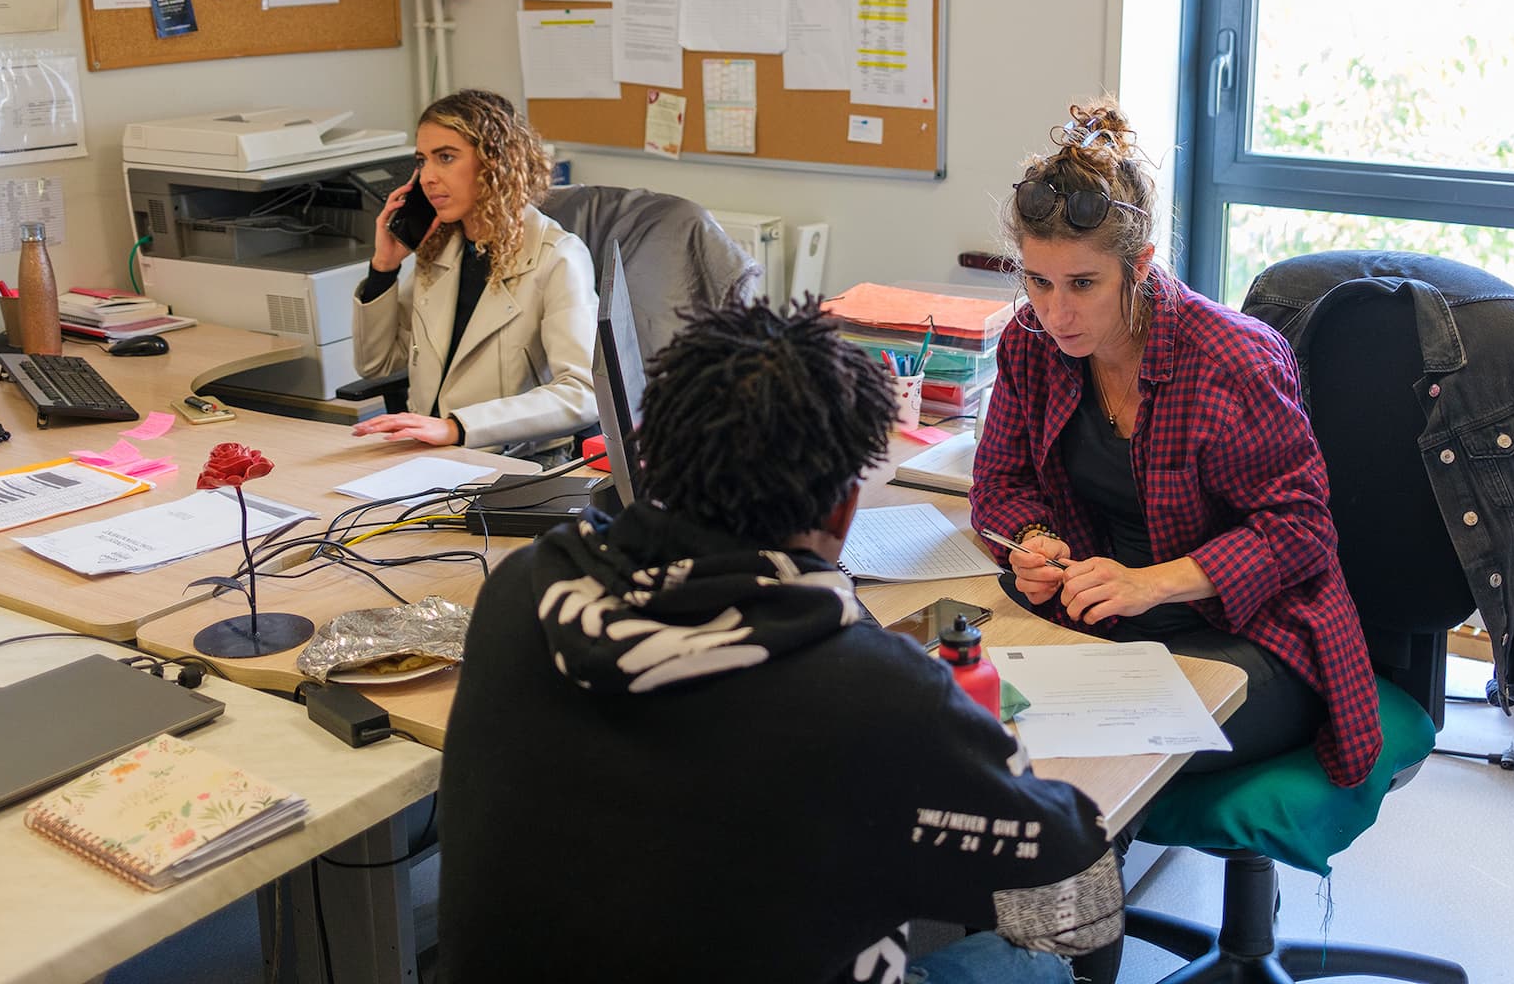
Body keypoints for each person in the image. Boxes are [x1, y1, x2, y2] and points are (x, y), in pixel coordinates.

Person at [438, 300, 1123, 983]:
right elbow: (1080, 909)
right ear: (844, 509)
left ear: (651, 458)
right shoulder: (870, 691)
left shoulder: (525, 590)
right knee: (1038, 964)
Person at [970, 99, 1382, 789]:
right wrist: (1033, 542)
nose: (1056, 312)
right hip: (1107, 620)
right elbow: (1000, 483)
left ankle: (1089, 852)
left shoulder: (1232, 359)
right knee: (977, 715)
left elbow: (1301, 530)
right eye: (1038, 282)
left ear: (1139, 265)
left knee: (1079, 750)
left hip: (1249, 632)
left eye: (1083, 284)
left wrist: (1151, 583)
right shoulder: (1030, 343)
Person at [351, 89, 597, 454]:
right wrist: (384, 268)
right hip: (428, 453)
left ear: (495, 162)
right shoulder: (439, 249)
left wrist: (457, 427)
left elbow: (583, 392)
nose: (427, 177)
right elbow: (377, 365)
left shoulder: (557, 256)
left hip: (517, 461)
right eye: (422, 161)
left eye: (445, 158)